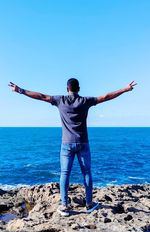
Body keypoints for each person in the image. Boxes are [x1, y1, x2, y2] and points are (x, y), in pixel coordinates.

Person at [8, 79, 137, 216]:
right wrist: (125, 89)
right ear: (79, 88)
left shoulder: (60, 100)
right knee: (86, 173)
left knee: (65, 174)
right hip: (83, 143)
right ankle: (89, 204)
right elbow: (105, 97)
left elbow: (41, 96)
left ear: (67, 88)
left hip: (66, 144)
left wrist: (20, 90)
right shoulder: (85, 101)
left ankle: (64, 206)